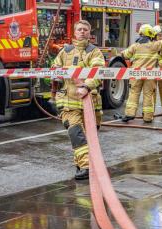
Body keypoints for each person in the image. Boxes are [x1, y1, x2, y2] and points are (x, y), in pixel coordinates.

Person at [52, 20, 105, 180]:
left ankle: (81, 164)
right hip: (69, 102)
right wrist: (57, 73)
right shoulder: (65, 51)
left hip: (90, 103)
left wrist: (87, 87)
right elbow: (55, 67)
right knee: (76, 133)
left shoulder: (94, 52)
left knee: (89, 138)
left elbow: (98, 71)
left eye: (85, 30)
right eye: (79, 29)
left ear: (89, 33)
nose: (82, 32)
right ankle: (86, 166)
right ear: (74, 32)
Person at [121, 24, 162, 123]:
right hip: (150, 75)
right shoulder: (154, 45)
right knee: (148, 95)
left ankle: (129, 114)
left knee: (134, 93)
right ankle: (148, 117)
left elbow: (125, 55)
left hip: (136, 75)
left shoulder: (135, 46)